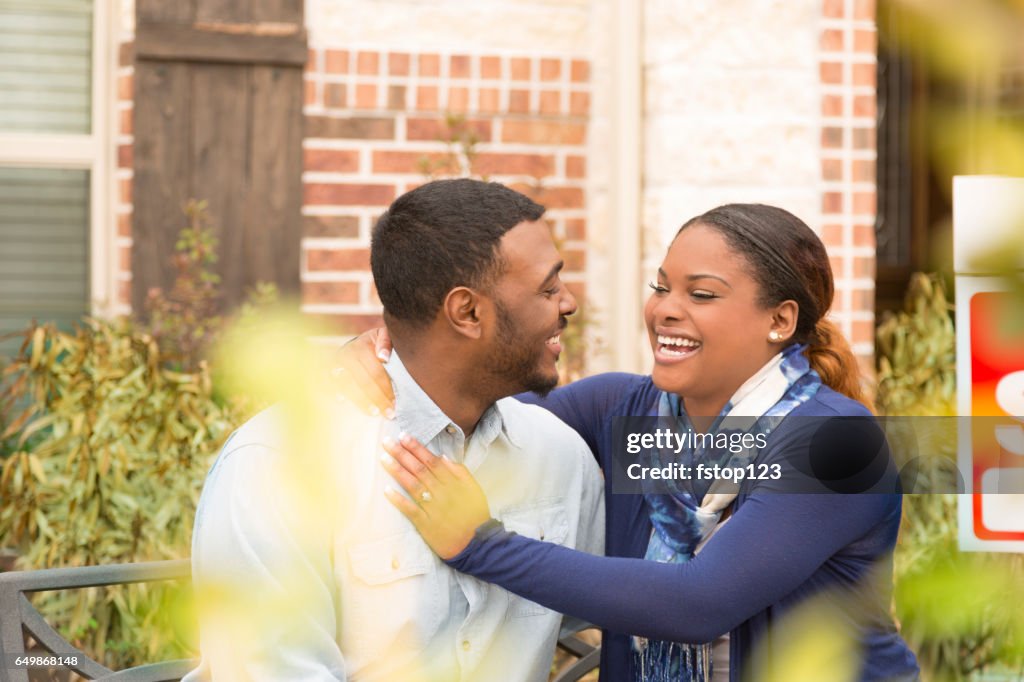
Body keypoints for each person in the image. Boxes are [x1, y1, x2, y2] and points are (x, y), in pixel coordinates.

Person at [349, 204, 920, 681]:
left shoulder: (836, 443)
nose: (666, 309)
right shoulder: (623, 410)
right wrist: (387, 359)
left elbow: (698, 602)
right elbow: (461, 409)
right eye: (661, 287)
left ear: (780, 320)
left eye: (702, 295)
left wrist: (480, 544)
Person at [183, 179, 604, 681]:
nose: (569, 302)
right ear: (467, 312)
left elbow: (621, 601)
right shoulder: (274, 467)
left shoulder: (559, 454)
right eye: (548, 287)